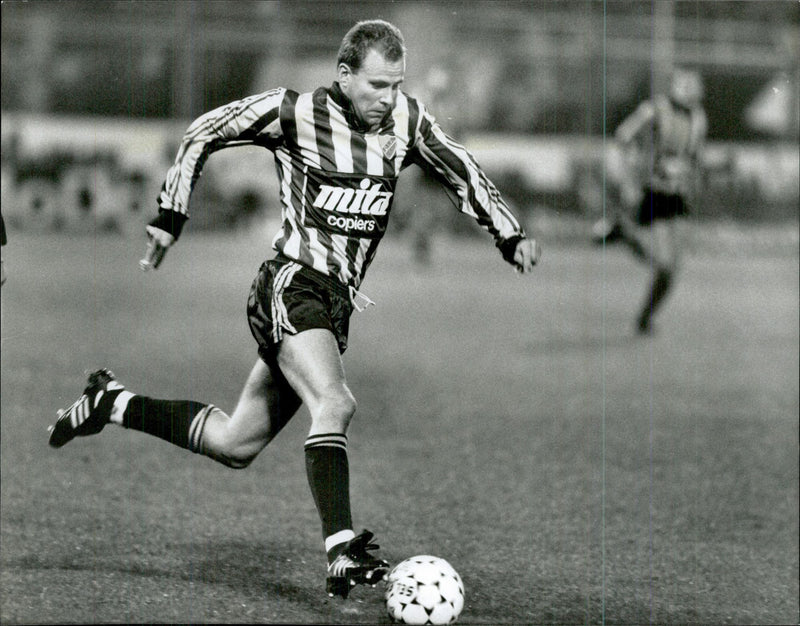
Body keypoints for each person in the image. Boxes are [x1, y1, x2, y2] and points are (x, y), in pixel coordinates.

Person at [48, 20, 541, 599]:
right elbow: (206, 129)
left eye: (396, 84)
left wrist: (509, 234)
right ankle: (341, 551)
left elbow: (462, 169)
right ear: (345, 74)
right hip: (290, 284)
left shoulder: (407, 120)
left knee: (235, 443)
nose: (388, 98)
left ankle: (111, 403)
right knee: (335, 401)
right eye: (377, 85)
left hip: (335, 304)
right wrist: (171, 212)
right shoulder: (294, 112)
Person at [593, 68, 707, 334]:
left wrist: (697, 179)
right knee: (666, 265)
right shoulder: (654, 111)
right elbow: (623, 139)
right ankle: (626, 236)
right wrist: (628, 179)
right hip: (652, 192)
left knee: (671, 268)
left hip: (677, 195)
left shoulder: (699, 118)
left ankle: (644, 318)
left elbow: (694, 158)